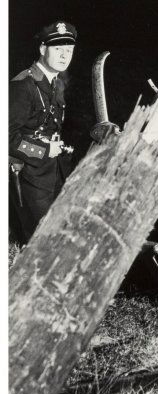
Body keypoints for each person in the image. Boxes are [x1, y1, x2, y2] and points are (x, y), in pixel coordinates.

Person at [9, 21, 77, 245]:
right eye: (58, 49)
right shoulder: (23, 85)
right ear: (42, 49)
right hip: (29, 178)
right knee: (41, 244)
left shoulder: (57, 82)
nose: (64, 55)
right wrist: (44, 150)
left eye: (69, 50)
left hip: (53, 174)